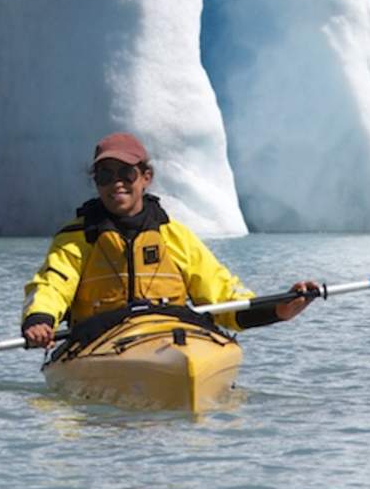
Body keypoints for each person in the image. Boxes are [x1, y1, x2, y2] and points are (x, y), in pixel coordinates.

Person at [21, 132, 317, 349]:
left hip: (172, 341)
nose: (117, 183)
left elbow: (221, 295)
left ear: (145, 177)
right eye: (105, 175)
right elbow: (52, 285)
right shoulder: (77, 238)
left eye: (126, 173)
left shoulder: (174, 236)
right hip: (100, 344)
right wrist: (40, 318)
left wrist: (279, 309)